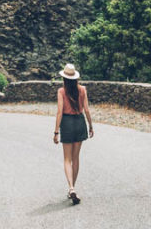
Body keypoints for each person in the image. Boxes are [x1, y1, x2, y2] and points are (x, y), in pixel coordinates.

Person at [53, 63, 94, 204]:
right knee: (76, 158)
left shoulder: (61, 91)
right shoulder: (82, 89)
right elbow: (87, 110)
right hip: (80, 122)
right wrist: (90, 125)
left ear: (64, 78)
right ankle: (73, 188)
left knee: (67, 159)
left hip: (67, 123)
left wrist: (56, 131)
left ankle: (71, 187)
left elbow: (59, 112)